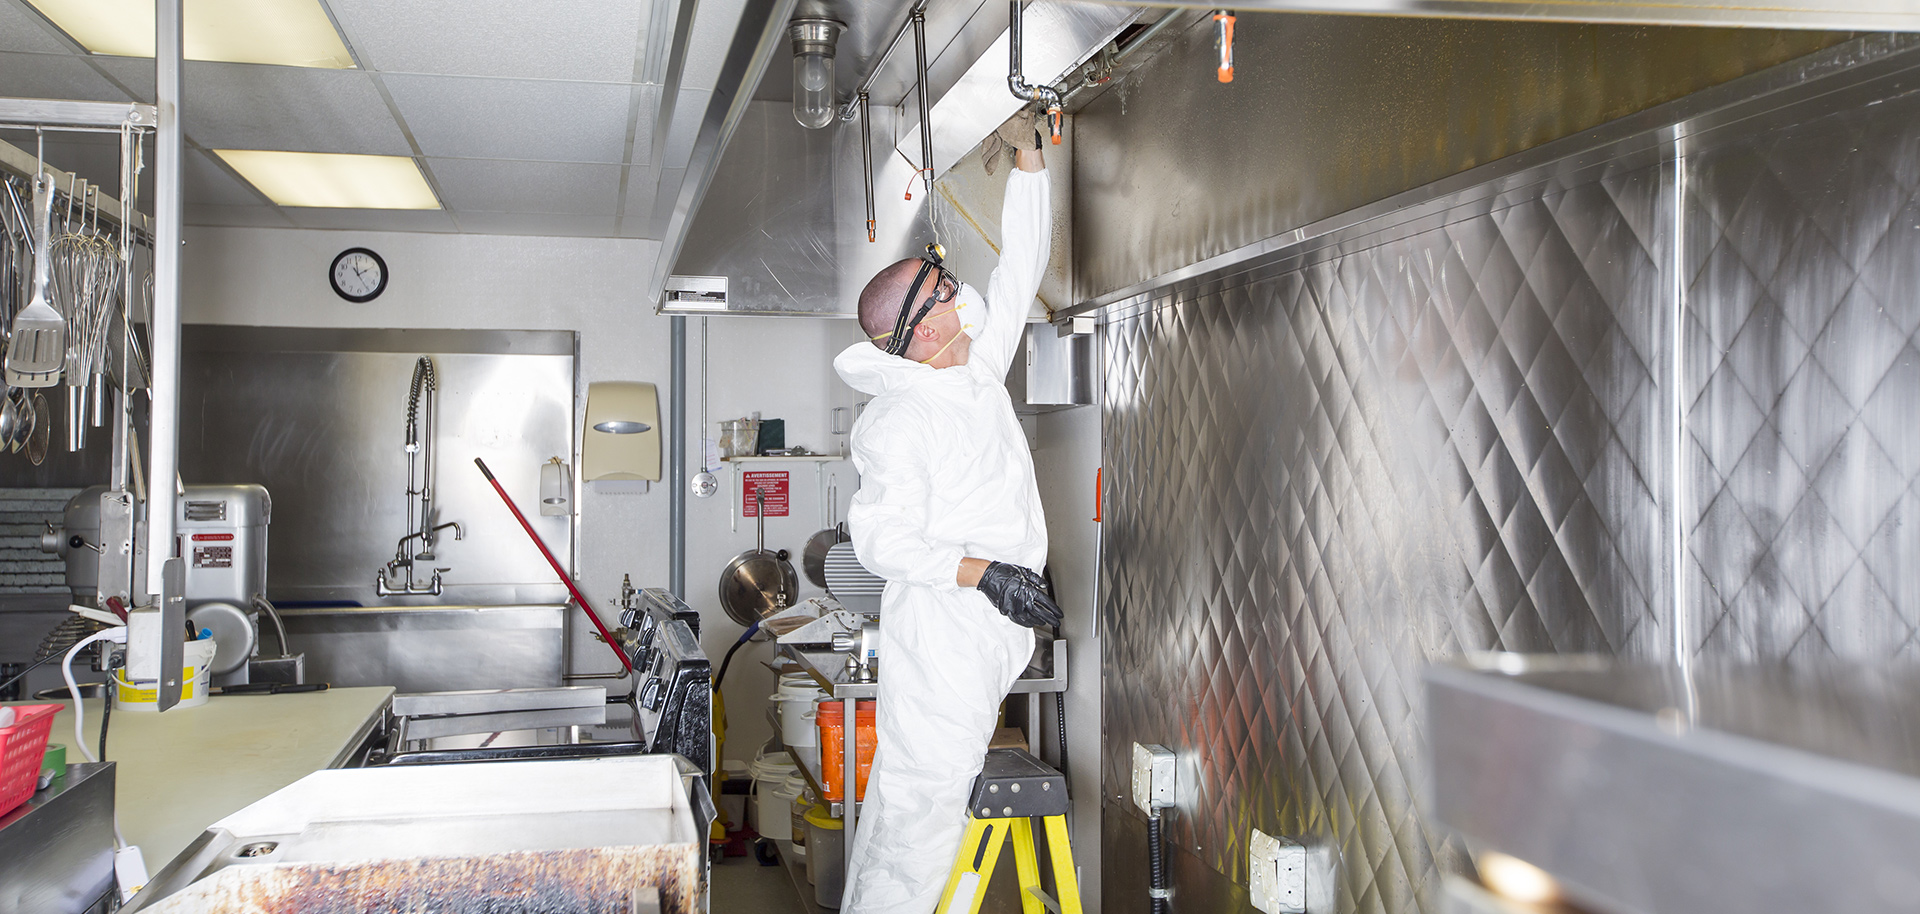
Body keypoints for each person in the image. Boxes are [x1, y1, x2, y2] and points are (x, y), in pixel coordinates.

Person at [831, 114, 1063, 914]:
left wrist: (1031, 161)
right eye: (943, 291)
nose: (959, 290)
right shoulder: (898, 419)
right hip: (943, 631)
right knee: (917, 817)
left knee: (926, 807)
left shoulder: (970, 369)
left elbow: (1018, 270)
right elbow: (881, 540)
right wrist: (985, 574)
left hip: (993, 619)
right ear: (926, 328)